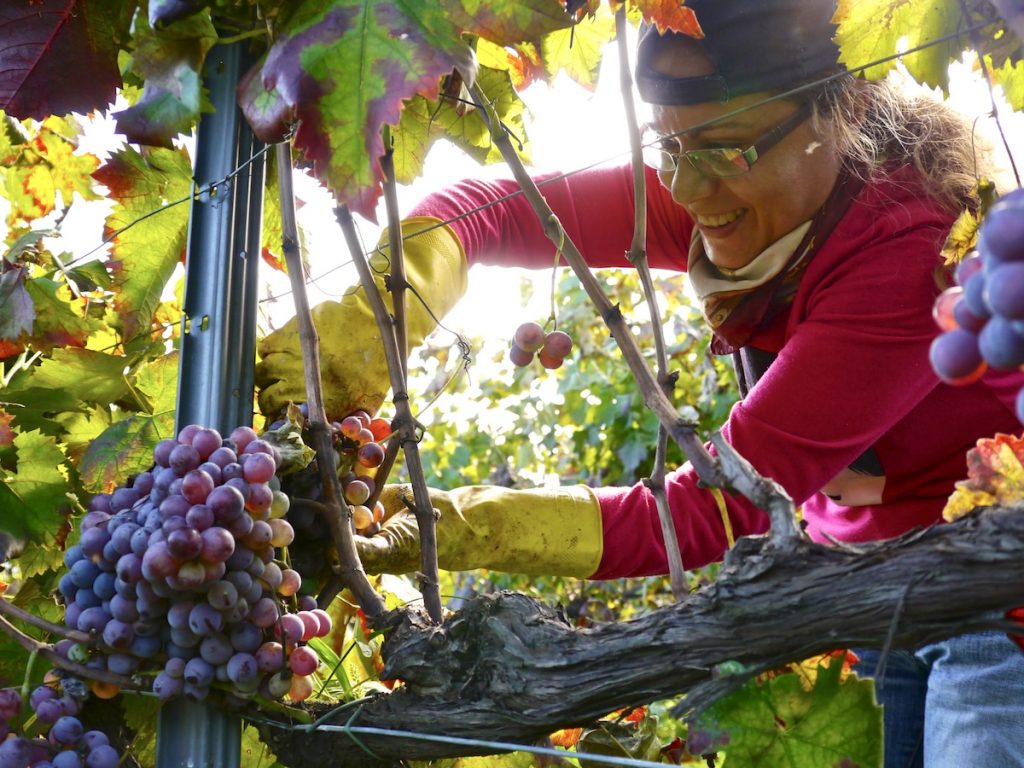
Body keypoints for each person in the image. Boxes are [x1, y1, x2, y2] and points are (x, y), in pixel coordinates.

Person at [255, 1, 1024, 765]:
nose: (688, 189)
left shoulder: (909, 247)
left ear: (846, 106)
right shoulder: (733, 179)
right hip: (865, 597)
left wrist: (443, 522)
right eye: (667, 146)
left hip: (996, 610)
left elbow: (715, 508)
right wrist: (375, 318)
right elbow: (484, 212)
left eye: (725, 149)